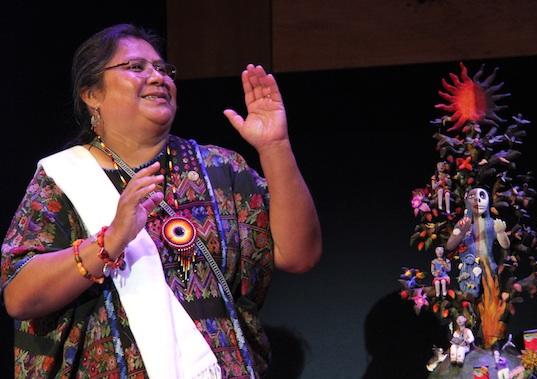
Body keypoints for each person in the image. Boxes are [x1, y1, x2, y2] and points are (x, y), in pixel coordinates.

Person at [1, 23, 322, 378]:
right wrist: (111, 241)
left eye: (163, 69)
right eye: (136, 67)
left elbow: (299, 254)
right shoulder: (62, 180)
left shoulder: (221, 169)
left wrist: (274, 146)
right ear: (91, 94)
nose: (158, 77)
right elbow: (19, 296)